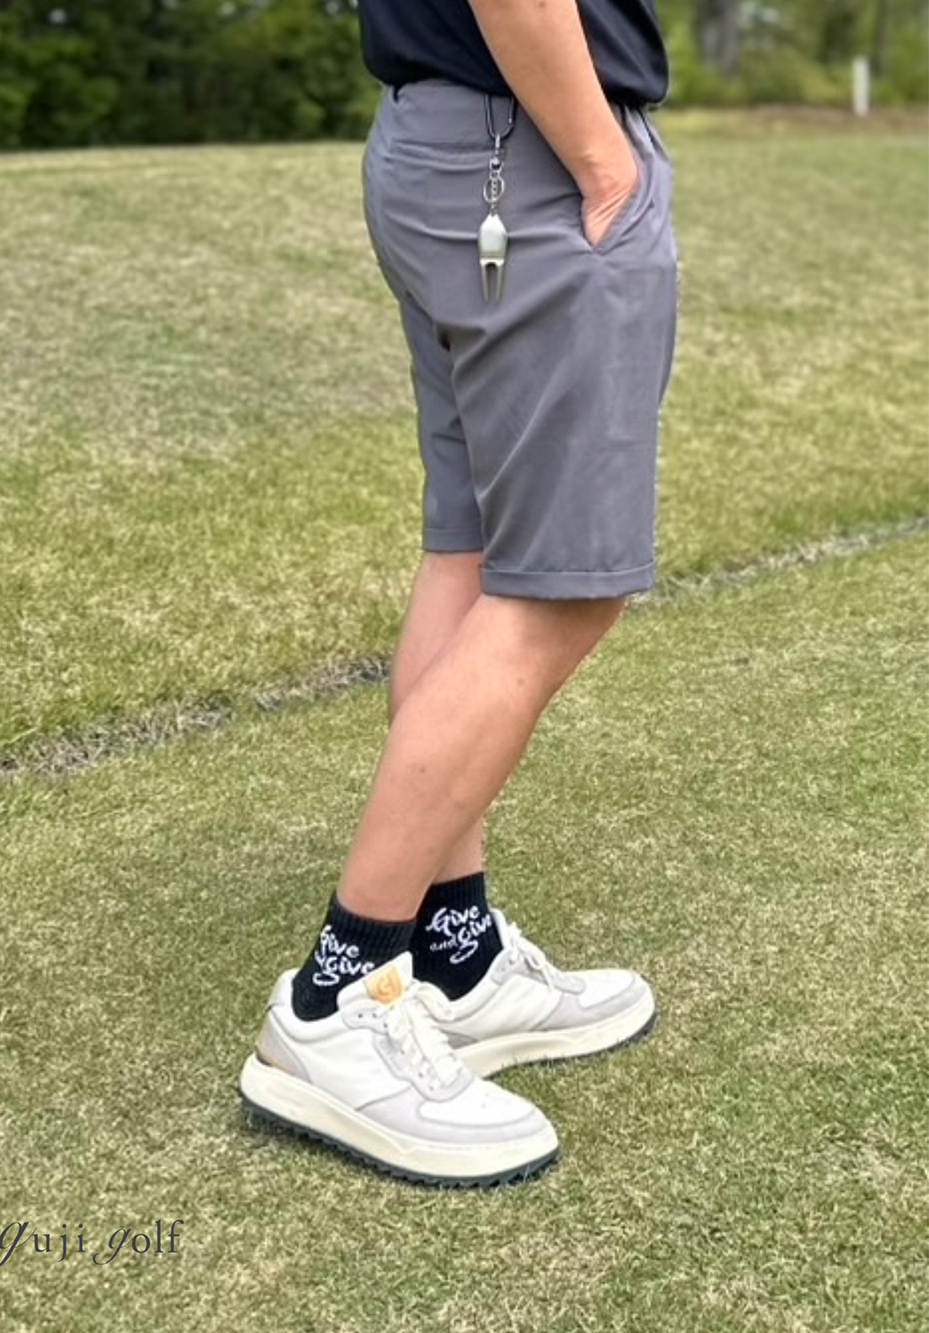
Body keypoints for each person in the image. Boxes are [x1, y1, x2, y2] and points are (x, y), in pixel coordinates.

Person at [239, 0, 678, 1186]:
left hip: (457, 145)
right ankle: (339, 996)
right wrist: (603, 159)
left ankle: (453, 951)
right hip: (527, 151)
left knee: (475, 553)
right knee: (558, 590)